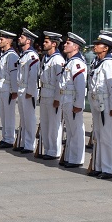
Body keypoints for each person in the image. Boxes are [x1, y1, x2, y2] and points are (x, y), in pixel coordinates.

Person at [87, 31, 112, 179]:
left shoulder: (109, 64)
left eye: (98, 44)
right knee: (99, 136)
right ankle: (100, 165)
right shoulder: (97, 62)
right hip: (97, 102)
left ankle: (110, 168)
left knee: (108, 136)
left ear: (106, 48)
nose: (95, 46)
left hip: (107, 103)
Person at [57, 33, 88, 168]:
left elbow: (80, 86)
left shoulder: (77, 63)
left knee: (76, 130)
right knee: (70, 130)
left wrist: (78, 104)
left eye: (68, 43)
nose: (65, 45)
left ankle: (76, 159)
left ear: (75, 47)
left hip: (72, 99)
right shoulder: (70, 61)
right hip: (66, 99)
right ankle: (70, 156)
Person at [38, 32, 65, 160]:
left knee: (54, 125)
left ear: (54, 44)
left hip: (52, 94)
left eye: (47, 42)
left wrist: (57, 98)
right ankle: (47, 149)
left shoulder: (58, 60)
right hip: (44, 93)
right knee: (45, 123)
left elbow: (60, 82)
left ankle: (54, 150)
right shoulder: (45, 58)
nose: (44, 43)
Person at [15, 28, 40, 153]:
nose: (19, 38)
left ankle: (30, 144)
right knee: (23, 118)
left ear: (28, 41)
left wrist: (30, 91)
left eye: (22, 37)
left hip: (27, 90)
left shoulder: (32, 56)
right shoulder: (24, 55)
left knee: (29, 118)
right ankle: (24, 142)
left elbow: (33, 76)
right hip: (21, 88)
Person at [0, 30, 19, 148]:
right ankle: (5, 137)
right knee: (3, 114)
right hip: (2, 87)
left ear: (8, 41)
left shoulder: (12, 56)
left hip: (8, 88)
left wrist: (14, 91)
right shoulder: (4, 55)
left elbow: (14, 75)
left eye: (1, 40)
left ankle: (9, 138)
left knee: (8, 115)